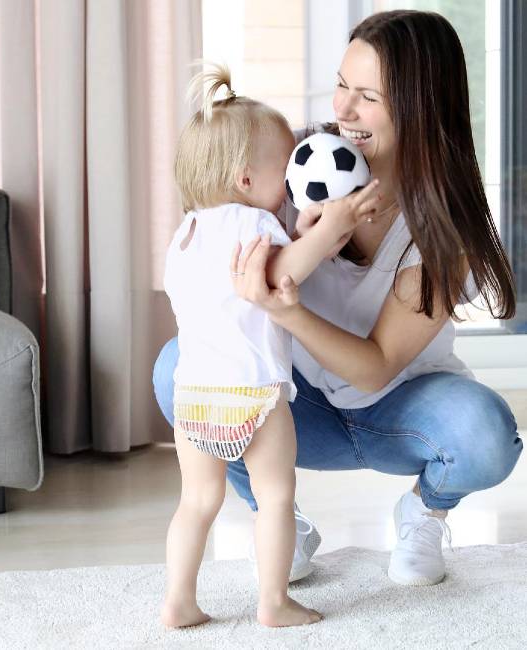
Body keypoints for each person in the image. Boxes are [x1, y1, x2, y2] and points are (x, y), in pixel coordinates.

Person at [154, 9, 522, 591]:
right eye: (342, 85)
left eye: (367, 97)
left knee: (485, 433)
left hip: (397, 414)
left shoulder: (443, 233)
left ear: (420, 107)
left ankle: (425, 513)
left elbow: (375, 369)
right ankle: (277, 519)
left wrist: (287, 308)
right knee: (179, 368)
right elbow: (213, 223)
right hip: (292, 404)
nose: (343, 110)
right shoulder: (296, 158)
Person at [160, 62, 380, 629]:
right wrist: (333, 228)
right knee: (277, 499)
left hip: (194, 398)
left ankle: (179, 601)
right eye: (286, 169)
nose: (294, 180)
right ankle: (273, 602)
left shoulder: (186, 233)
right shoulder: (251, 225)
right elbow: (281, 276)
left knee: (197, 503)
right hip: (253, 396)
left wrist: (303, 235)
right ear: (245, 181)